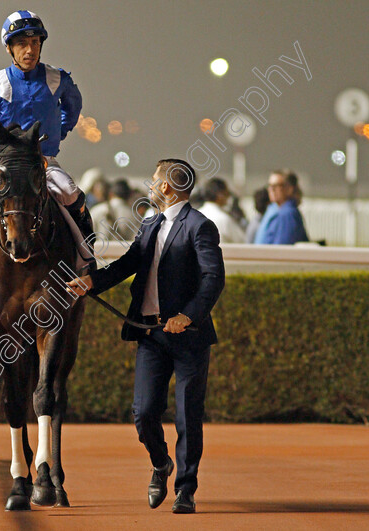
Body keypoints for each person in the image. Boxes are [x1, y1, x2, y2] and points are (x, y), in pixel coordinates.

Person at [66, 159, 225, 515]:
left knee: (187, 417)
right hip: (151, 335)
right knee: (143, 413)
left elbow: (213, 279)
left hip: (188, 337)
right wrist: (91, 283)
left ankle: (186, 490)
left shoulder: (200, 226)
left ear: (167, 187)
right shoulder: (151, 223)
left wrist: (186, 316)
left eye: (154, 181)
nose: (150, 186)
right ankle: (160, 463)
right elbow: (129, 263)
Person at [0, 10, 92, 247]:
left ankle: (86, 243)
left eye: (35, 43)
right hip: (8, 165)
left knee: (71, 193)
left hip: (44, 162)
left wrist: (59, 132)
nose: (30, 50)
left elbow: (73, 107)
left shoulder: (58, 78)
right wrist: (2, 152)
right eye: (22, 44)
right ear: (9, 48)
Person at [254, 169, 308, 245]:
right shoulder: (276, 210)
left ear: (289, 189)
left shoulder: (287, 214)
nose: (271, 189)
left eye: (276, 185)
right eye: (269, 185)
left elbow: (281, 249)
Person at [197, 177, 246, 244]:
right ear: (220, 195)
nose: (228, 197)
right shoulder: (223, 219)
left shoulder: (196, 215)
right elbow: (242, 242)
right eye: (227, 193)